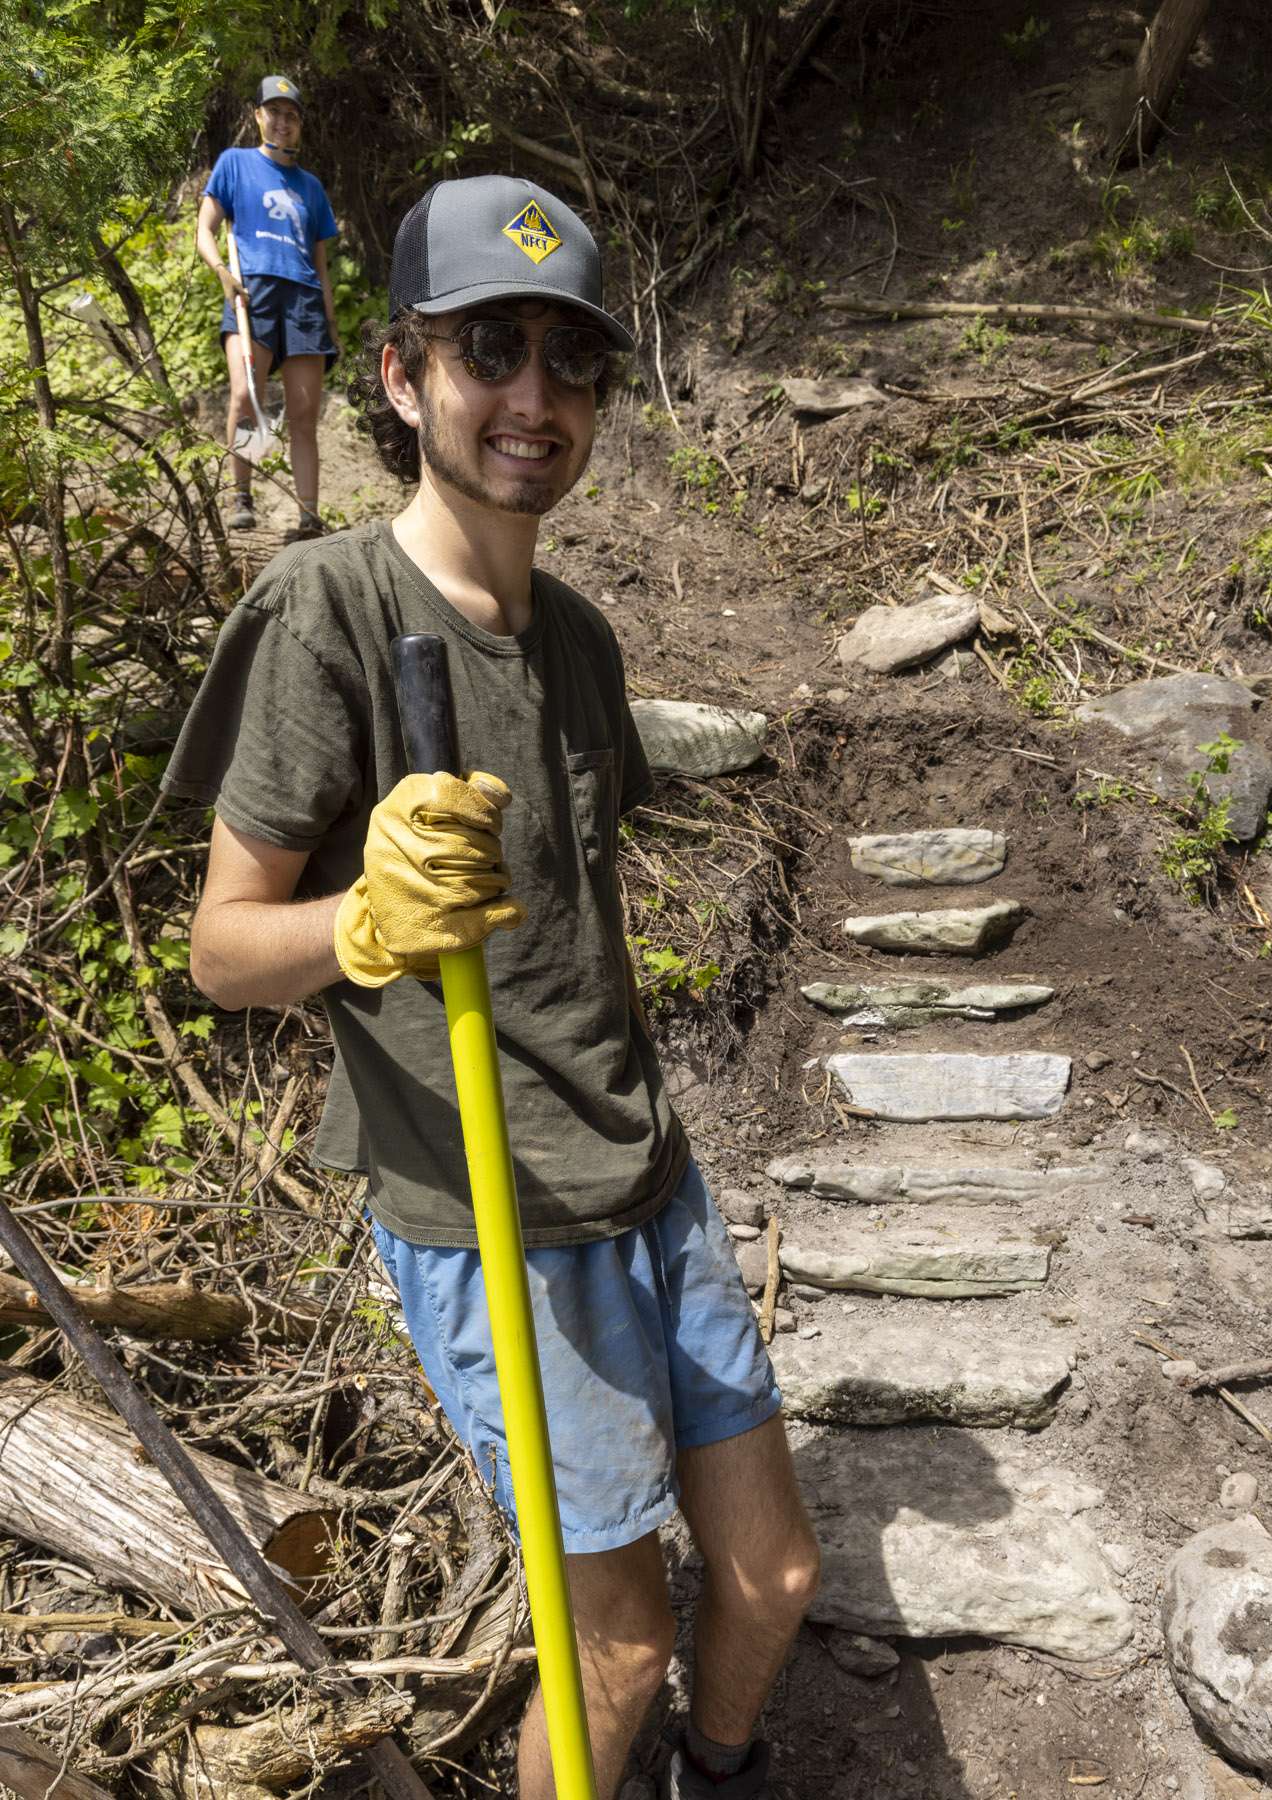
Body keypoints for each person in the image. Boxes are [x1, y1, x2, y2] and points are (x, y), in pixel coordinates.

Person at [163, 173, 819, 1800]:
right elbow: (222, 948)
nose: (535, 396)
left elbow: (573, 939)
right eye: (490, 348)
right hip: (489, 1210)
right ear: (399, 374)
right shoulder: (331, 610)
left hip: (644, 1176)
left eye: (571, 360)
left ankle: (721, 1776)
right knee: (615, 1649)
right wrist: (365, 923)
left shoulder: (582, 641)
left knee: (772, 1579)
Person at [196, 74, 340, 540]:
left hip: (302, 299)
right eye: (274, 112)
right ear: (257, 115)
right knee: (245, 398)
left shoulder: (311, 188)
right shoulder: (234, 164)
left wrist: (330, 322)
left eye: (291, 115)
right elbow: (206, 229)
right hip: (249, 288)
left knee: (303, 413)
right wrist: (222, 272)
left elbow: (320, 266)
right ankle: (242, 497)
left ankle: (308, 515)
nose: (282, 121)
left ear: (300, 125)